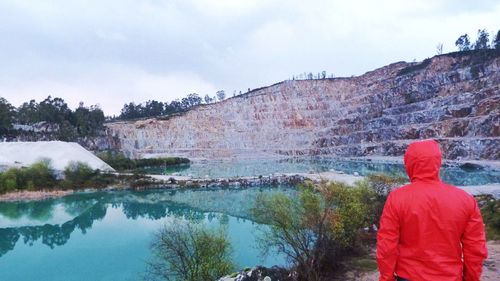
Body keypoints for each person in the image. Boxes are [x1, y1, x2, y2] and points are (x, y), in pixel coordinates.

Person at [376, 139, 487, 281]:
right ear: (437, 162)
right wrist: (471, 278)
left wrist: (386, 278)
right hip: (450, 276)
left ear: (409, 163)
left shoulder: (397, 198)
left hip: (408, 276)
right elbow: (475, 249)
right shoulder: (465, 200)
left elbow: (386, 246)